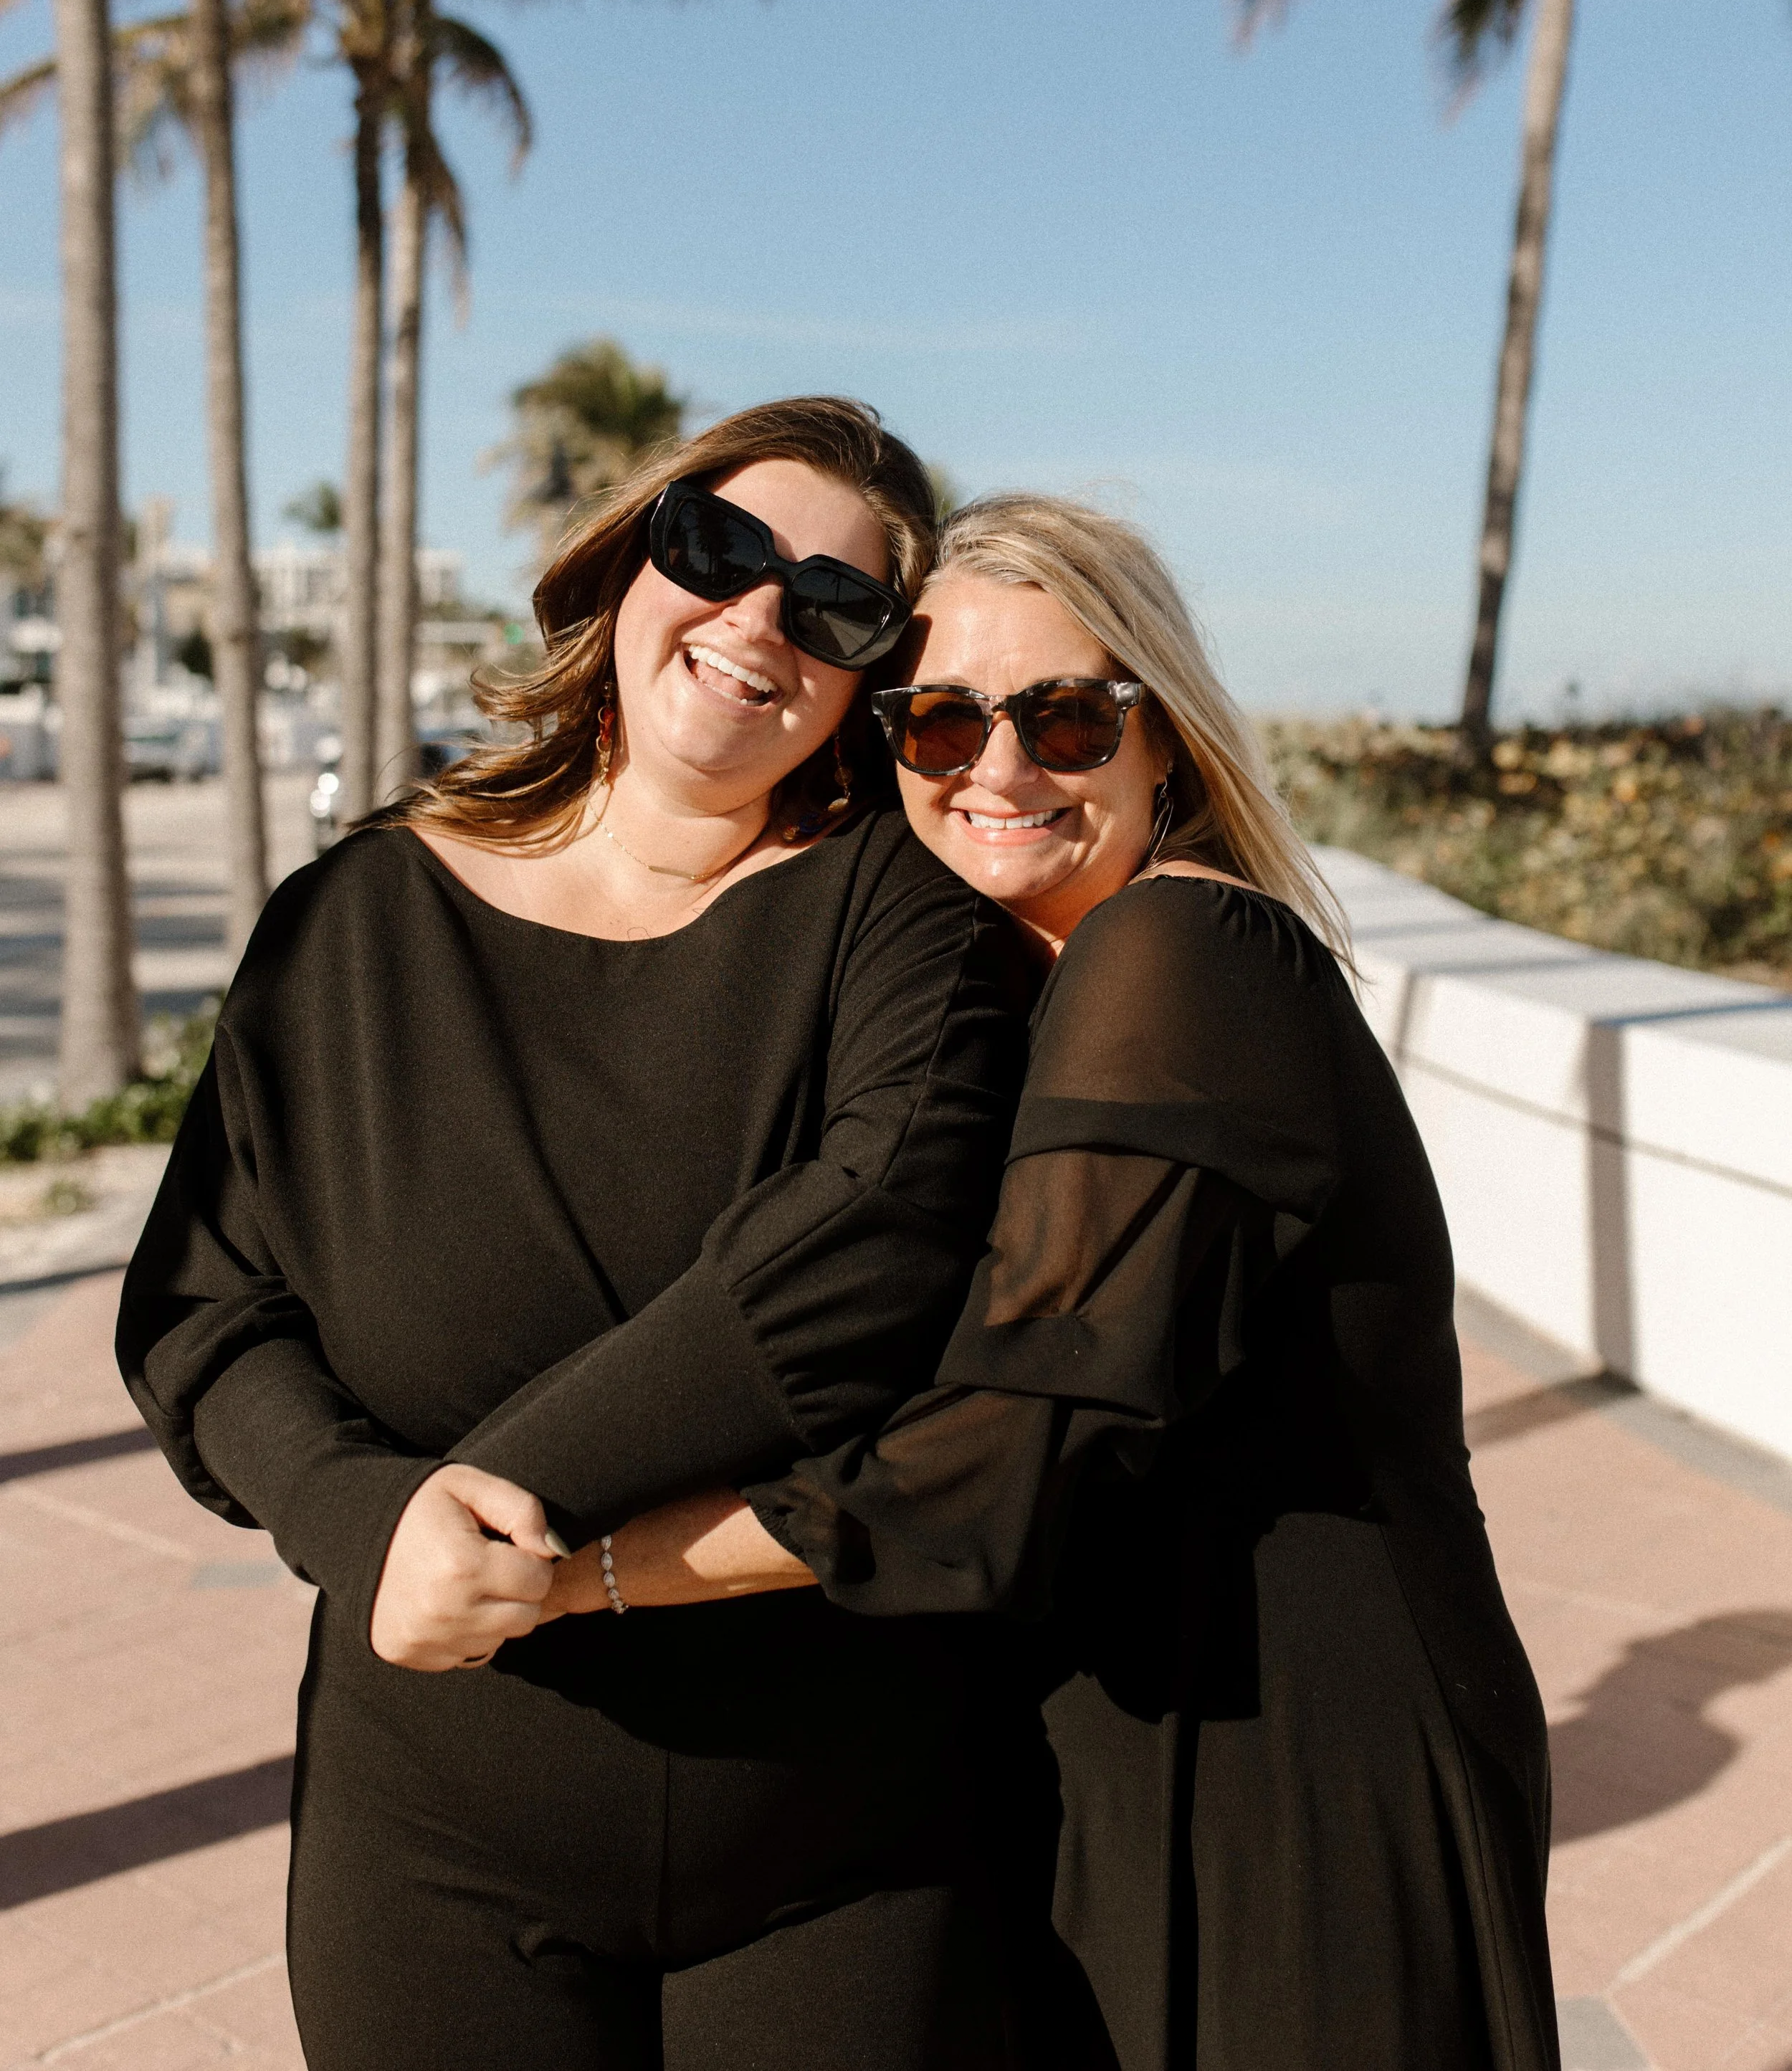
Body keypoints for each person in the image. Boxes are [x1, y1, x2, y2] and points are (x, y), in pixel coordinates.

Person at [572, 493, 1560, 2071]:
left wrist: (582, 1570)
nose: (1000, 770)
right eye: (943, 721)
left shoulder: (1178, 956)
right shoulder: (991, 1014)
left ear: (1162, 740)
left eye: (1068, 718)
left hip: (1284, 1762)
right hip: (1114, 1731)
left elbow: (1007, 1435)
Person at [116, 399, 1034, 2071]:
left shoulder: (894, 918)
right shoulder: (354, 920)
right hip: (434, 1845)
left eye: (831, 607)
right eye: (720, 549)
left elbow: (873, 1252)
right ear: (632, 557)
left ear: (864, 680)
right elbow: (202, 1303)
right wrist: (357, 1515)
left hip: (839, 1846)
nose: (757, 617)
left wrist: (488, 1501)